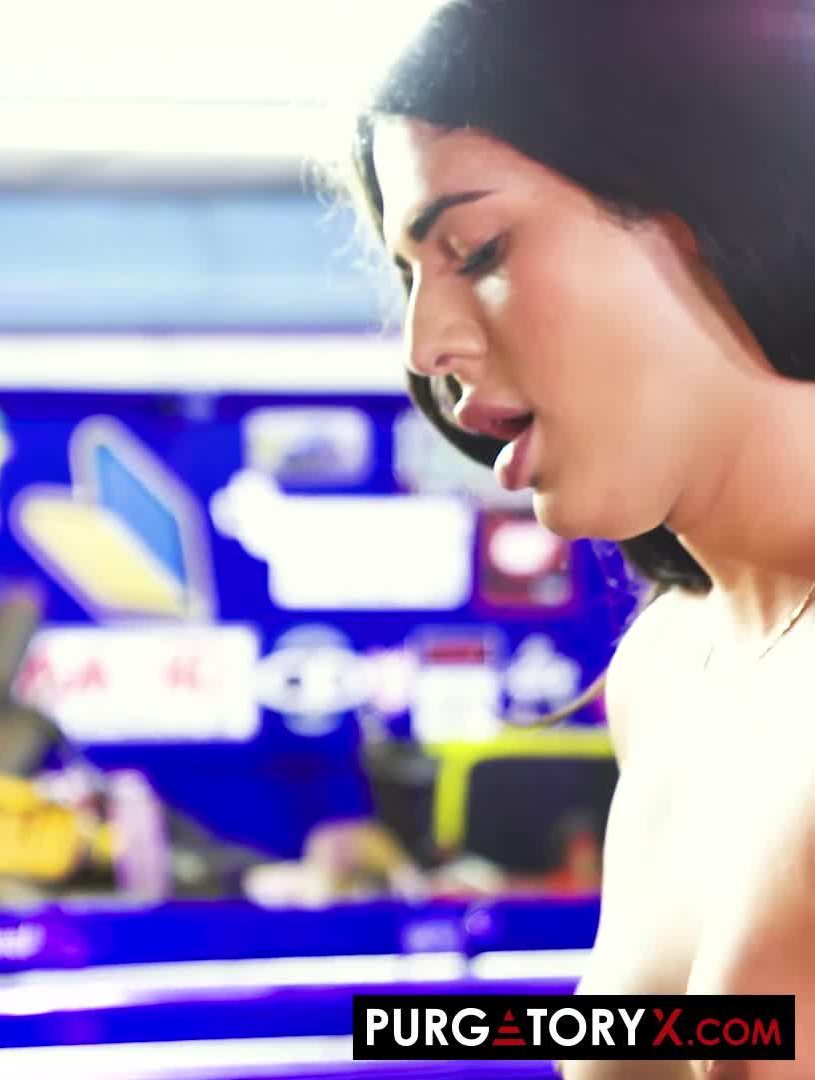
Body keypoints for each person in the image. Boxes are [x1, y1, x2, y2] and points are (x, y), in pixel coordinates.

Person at [345, 0, 815, 1075]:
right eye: (410, 277)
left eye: (477, 249)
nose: (425, 345)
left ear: (708, 195)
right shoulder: (667, 669)